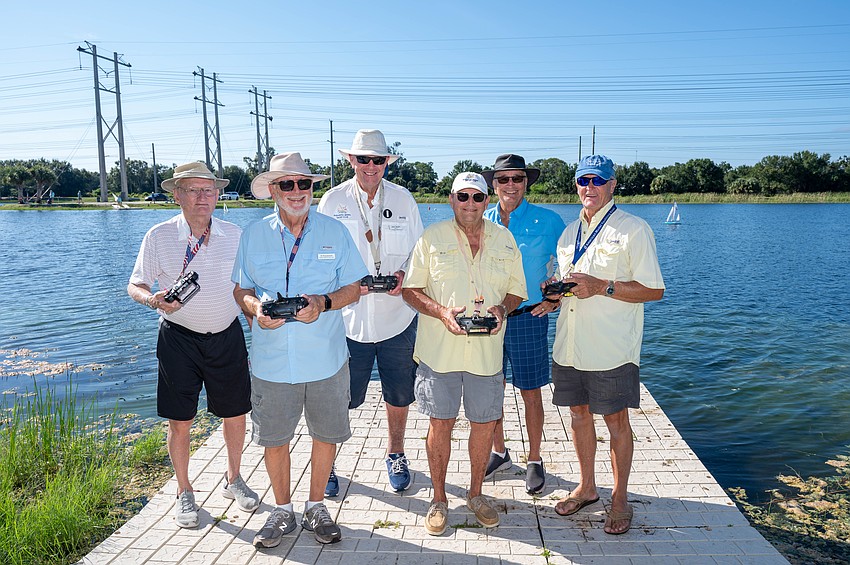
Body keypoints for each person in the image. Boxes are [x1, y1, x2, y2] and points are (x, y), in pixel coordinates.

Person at [232, 152, 367, 547]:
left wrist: (323, 303)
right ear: (272, 189)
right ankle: (282, 509)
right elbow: (240, 289)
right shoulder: (253, 234)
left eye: (303, 184)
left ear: (312, 189)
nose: (296, 192)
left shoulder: (335, 232)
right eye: (287, 184)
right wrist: (256, 309)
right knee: (275, 438)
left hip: (325, 359)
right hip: (271, 362)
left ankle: (315, 507)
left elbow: (355, 288)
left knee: (326, 435)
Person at [127, 162, 259, 529]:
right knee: (180, 420)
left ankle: (233, 479)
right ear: (177, 195)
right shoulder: (159, 235)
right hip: (178, 340)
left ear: (218, 194)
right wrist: (154, 300)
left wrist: (256, 333)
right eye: (194, 190)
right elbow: (134, 285)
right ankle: (185, 491)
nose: (203, 197)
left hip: (227, 335)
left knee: (235, 413)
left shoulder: (235, 234)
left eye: (209, 190)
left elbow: (243, 290)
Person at [402, 172, 526, 535]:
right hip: (440, 352)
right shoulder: (431, 238)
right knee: (440, 423)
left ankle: (475, 494)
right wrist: (441, 311)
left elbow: (518, 289)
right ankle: (438, 499)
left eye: (477, 197)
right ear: (451, 199)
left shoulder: (504, 239)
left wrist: (503, 309)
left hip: (486, 353)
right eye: (462, 197)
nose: (469, 204)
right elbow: (410, 290)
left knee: (484, 424)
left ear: (487, 200)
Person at [546, 155, 665, 535]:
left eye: (598, 180)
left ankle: (620, 498)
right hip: (570, 345)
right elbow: (571, 285)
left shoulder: (634, 229)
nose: (590, 187)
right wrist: (554, 295)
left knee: (616, 422)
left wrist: (602, 286)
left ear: (613, 185)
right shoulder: (568, 234)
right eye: (583, 181)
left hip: (611, 348)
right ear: (577, 185)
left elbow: (654, 290)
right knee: (578, 415)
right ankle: (587, 487)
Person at [317, 129, 424, 496]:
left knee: (399, 394)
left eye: (378, 160)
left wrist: (403, 275)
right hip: (348, 321)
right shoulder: (331, 201)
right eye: (363, 159)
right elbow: (320, 258)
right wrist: (347, 284)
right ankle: (327, 463)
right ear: (351, 161)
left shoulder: (404, 199)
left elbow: (419, 254)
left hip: (398, 318)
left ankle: (396, 453)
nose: (371, 167)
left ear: (386, 163)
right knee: (341, 397)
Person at [481, 154, 566, 494]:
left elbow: (570, 261)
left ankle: (534, 459)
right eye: (504, 179)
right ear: (494, 184)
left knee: (530, 391)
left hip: (529, 317)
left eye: (517, 178)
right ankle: (500, 452)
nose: (511, 185)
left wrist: (556, 297)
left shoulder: (549, 220)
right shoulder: (480, 217)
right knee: (491, 387)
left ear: (526, 182)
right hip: (489, 319)